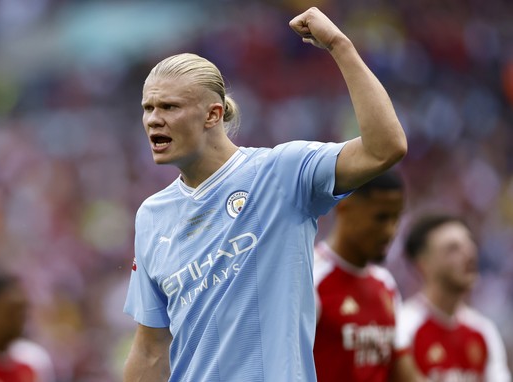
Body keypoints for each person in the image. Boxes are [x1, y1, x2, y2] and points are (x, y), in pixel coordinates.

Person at [123, 6, 407, 382]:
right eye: (148, 108)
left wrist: (340, 45)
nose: (153, 119)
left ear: (213, 114)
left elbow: (384, 147)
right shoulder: (152, 215)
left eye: (169, 107)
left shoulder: (282, 172)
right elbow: (149, 349)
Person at [313, 170, 424, 381]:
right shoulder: (311, 278)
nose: (390, 231)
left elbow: (404, 373)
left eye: (396, 218)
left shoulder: (385, 284)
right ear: (345, 207)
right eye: (381, 217)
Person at [398, 214, 512, 382]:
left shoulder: (484, 331)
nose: (469, 255)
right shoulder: (405, 326)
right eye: (453, 249)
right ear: (423, 264)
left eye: (470, 245)